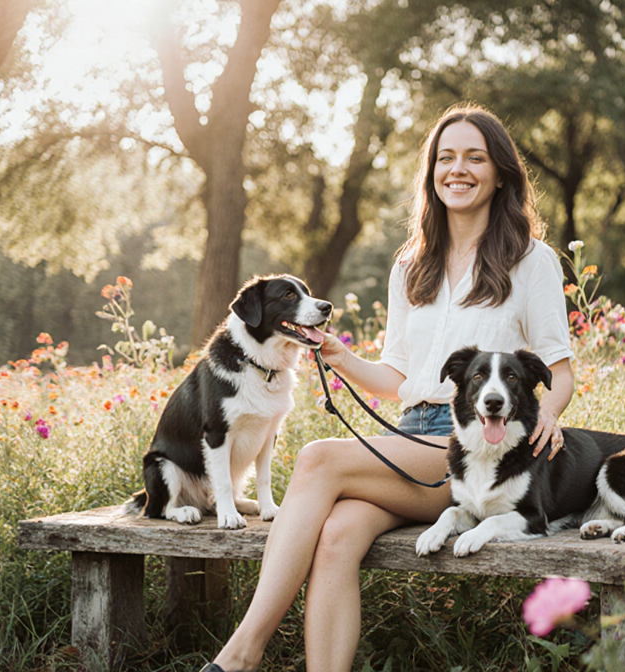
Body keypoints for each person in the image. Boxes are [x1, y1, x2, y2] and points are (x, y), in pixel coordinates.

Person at [202, 104, 575, 672]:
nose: (458, 169)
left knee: (318, 458)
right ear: (431, 173)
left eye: (475, 157)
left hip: (470, 455)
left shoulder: (531, 261)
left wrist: (549, 410)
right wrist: (341, 356)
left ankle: (239, 656)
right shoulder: (412, 265)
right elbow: (399, 379)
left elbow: (560, 367)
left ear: (500, 172)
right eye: (445, 158)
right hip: (409, 441)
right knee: (337, 535)